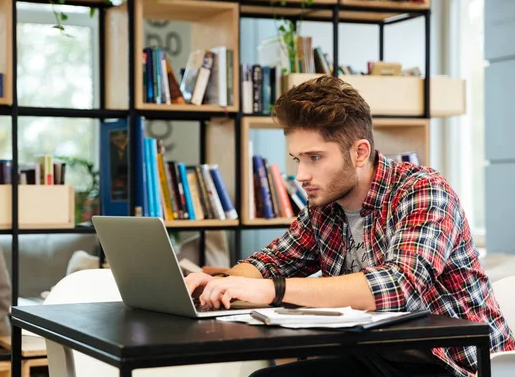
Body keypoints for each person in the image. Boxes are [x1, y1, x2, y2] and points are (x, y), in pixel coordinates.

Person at [185, 75, 515, 377]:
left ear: (359, 152)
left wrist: (273, 290)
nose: (301, 175)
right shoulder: (325, 206)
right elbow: (269, 263)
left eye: (314, 157)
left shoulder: (422, 190)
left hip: (457, 366)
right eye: (297, 159)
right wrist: (220, 283)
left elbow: (399, 285)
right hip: (376, 356)